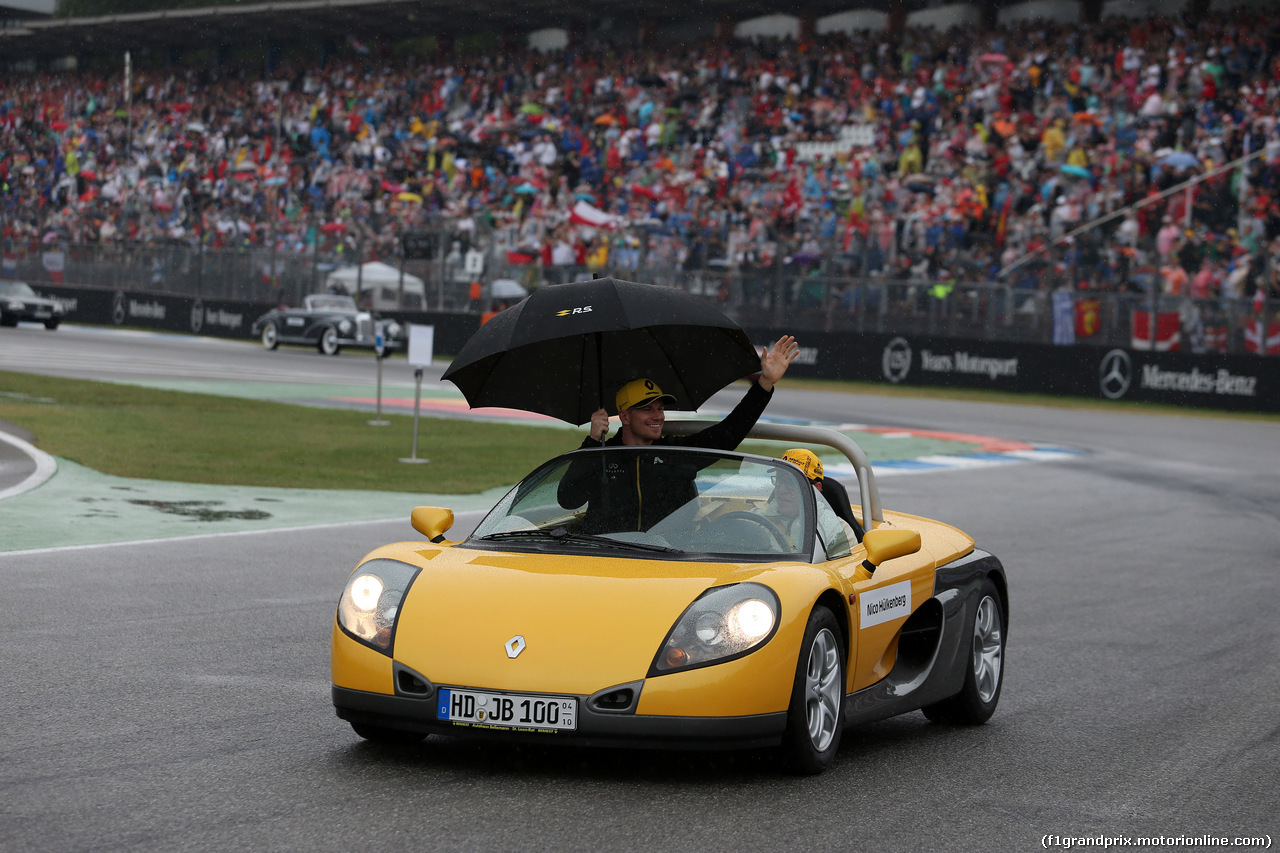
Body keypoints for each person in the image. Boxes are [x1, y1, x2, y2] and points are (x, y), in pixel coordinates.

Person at [557, 335, 800, 533]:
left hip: (668, 566)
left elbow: (729, 433)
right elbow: (567, 499)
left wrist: (764, 384)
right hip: (606, 561)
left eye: (661, 408)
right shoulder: (603, 454)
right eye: (647, 409)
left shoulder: (676, 453)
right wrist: (590, 443)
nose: (658, 416)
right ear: (624, 417)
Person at [777, 448, 863, 547]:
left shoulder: (836, 529)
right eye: (779, 480)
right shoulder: (758, 515)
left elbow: (848, 563)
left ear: (816, 489)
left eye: (791, 483)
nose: (781, 490)